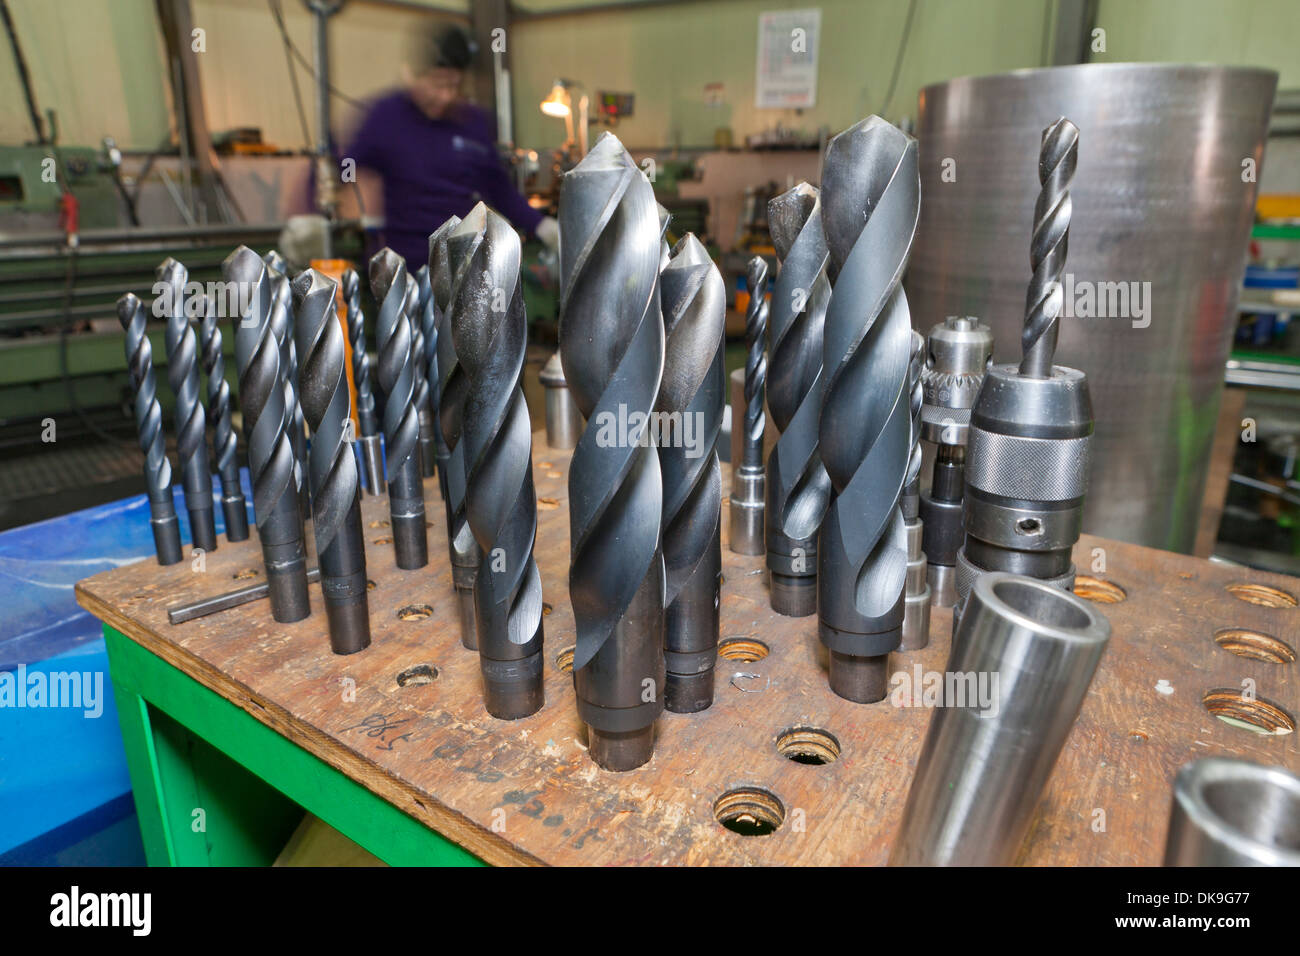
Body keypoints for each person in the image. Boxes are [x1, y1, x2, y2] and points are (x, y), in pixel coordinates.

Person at [344, 25, 557, 267]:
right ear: (411, 75)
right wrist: (313, 218)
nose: (446, 96)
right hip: (403, 268)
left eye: (454, 86)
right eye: (438, 84)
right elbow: (342, 168)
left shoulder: (473, 123)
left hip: (462, 264)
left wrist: (541, 225)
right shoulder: (385, 117)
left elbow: (499, 188)